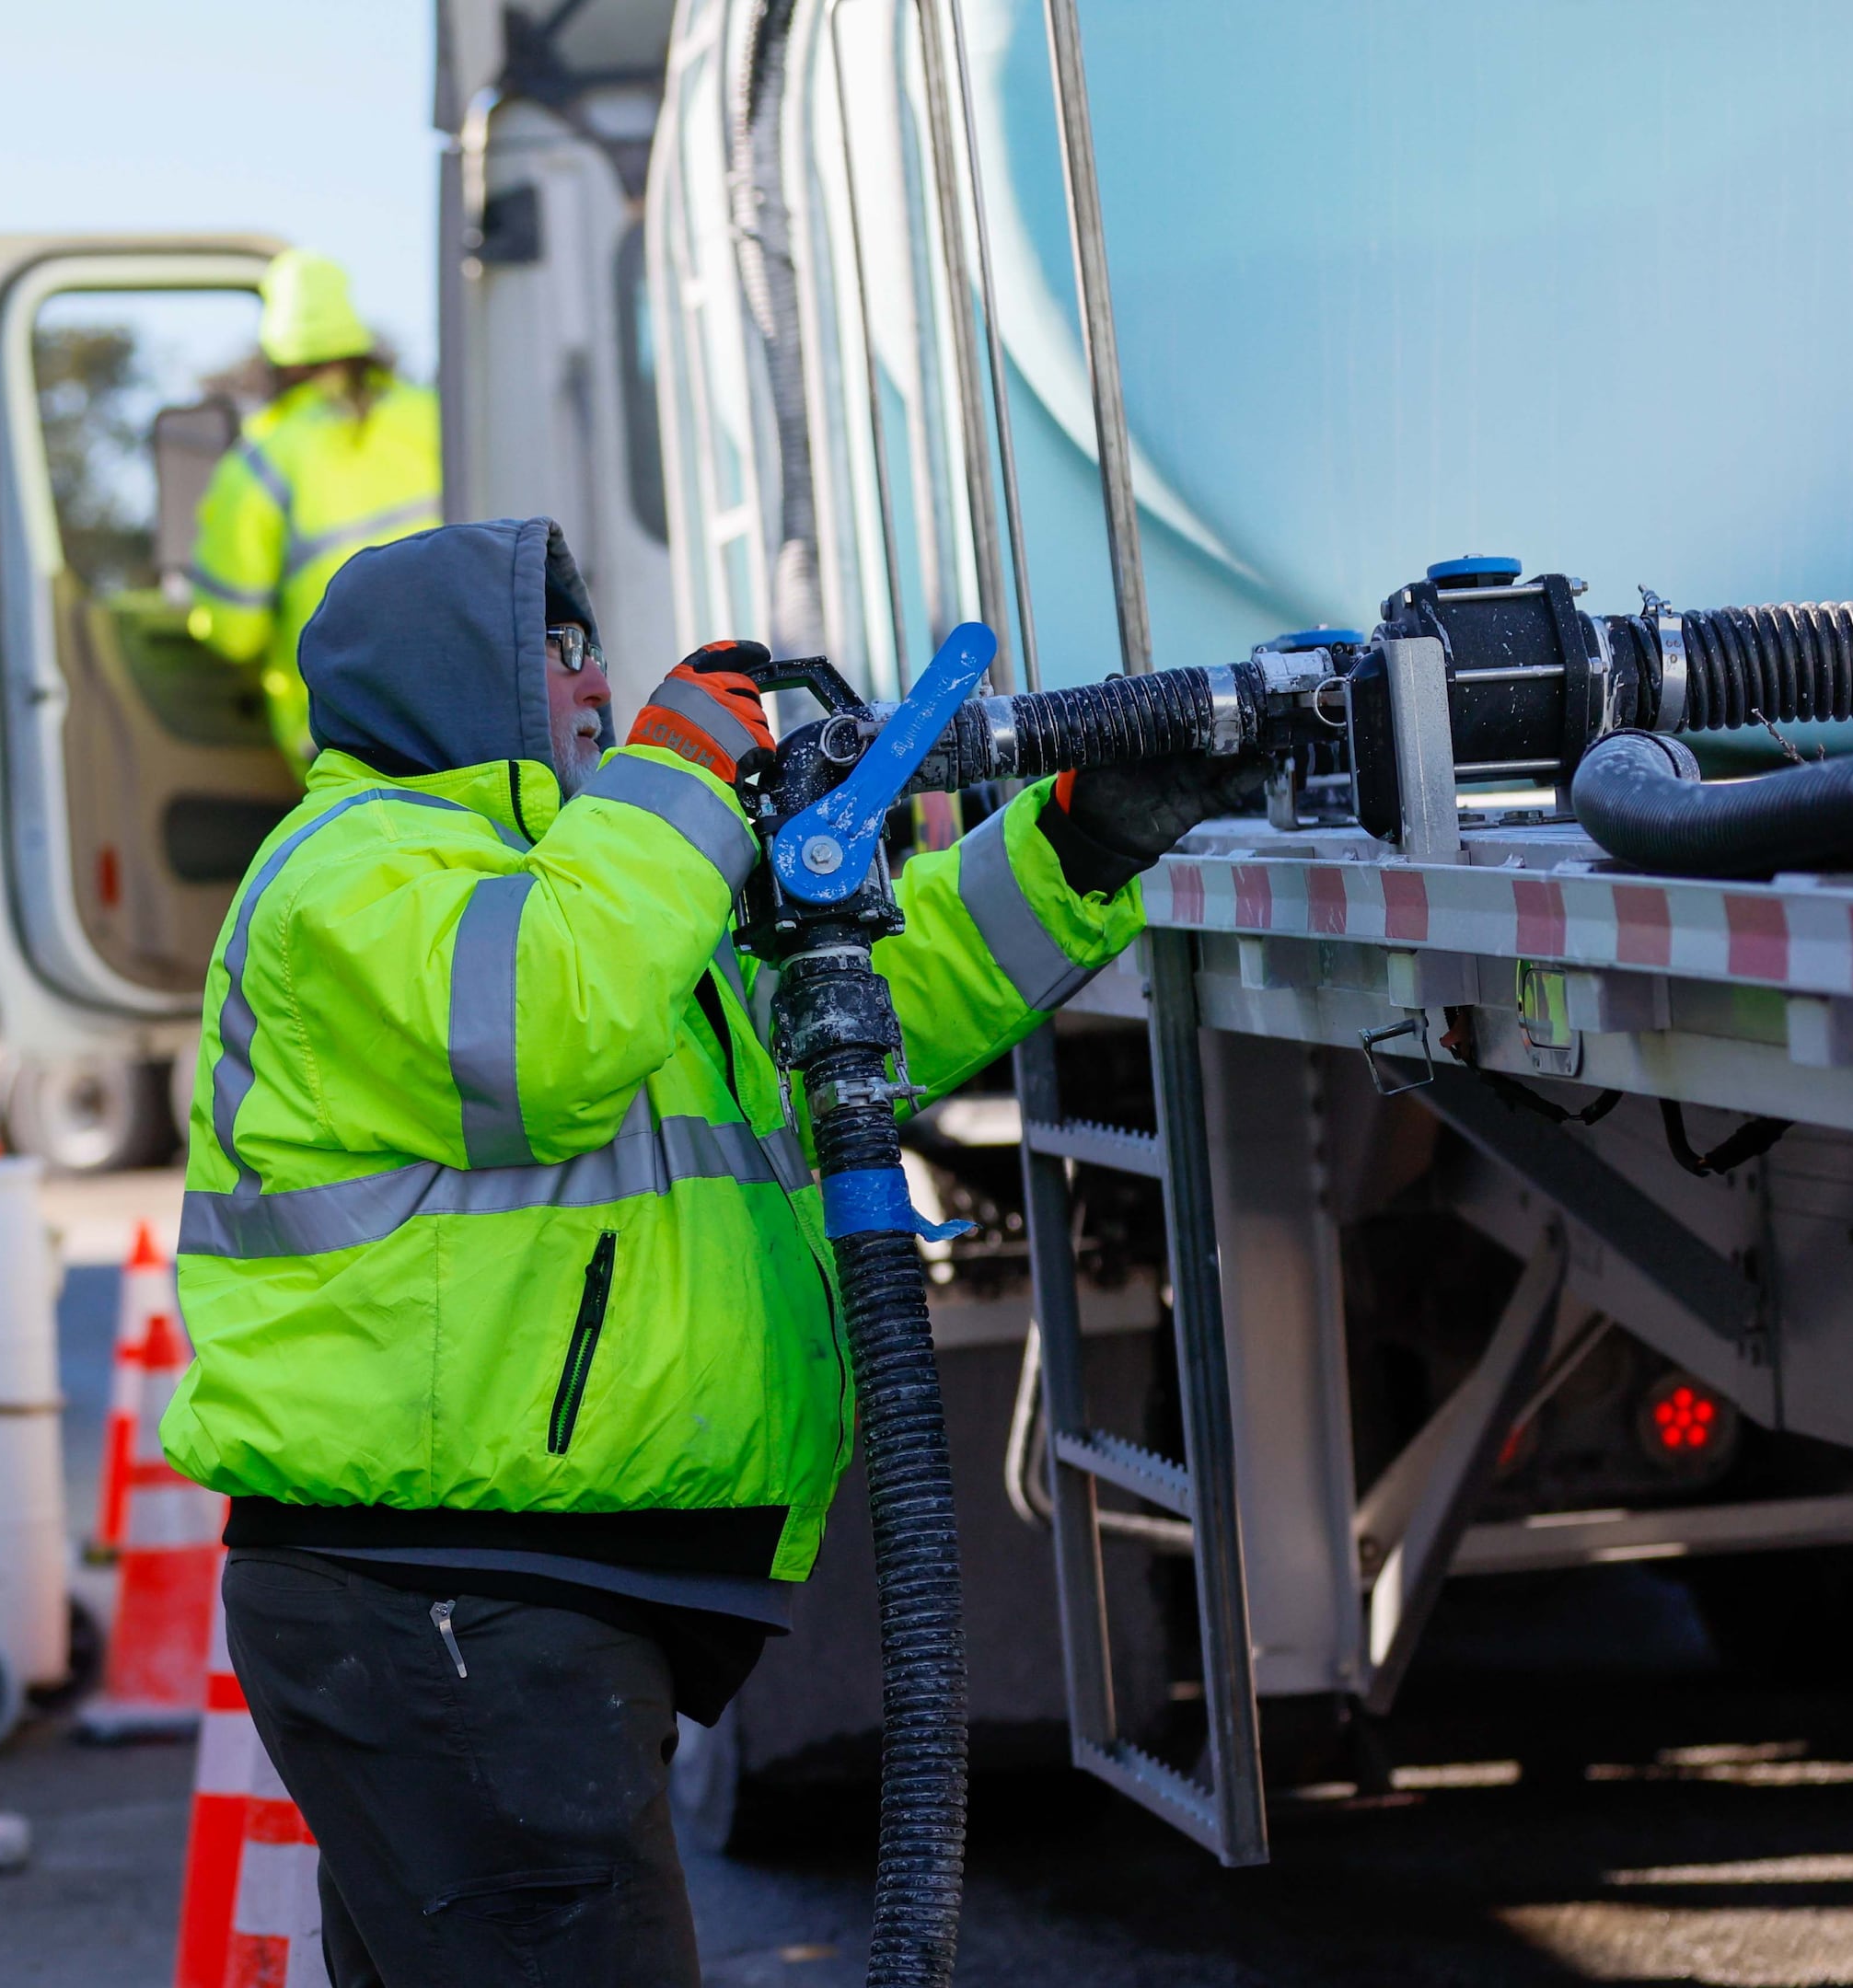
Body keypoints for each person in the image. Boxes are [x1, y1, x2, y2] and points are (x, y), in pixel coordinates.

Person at [161, 518, 1260, 1983]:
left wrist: (1071, 844)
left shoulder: (585, 880)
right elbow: (550, 1025)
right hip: (447, 1597)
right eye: (563, 655)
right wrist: (675, 784)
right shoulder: (361, 875)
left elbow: (852, 1010)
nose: (600, 686)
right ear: (459, 682)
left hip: (490, 1599)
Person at [185, 248, 443, 766]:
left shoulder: (261, 465)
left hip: (346, 740)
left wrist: (198, 617)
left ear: (280, 357)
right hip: (467, 709)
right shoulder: (434, 416)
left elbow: (233, 633)